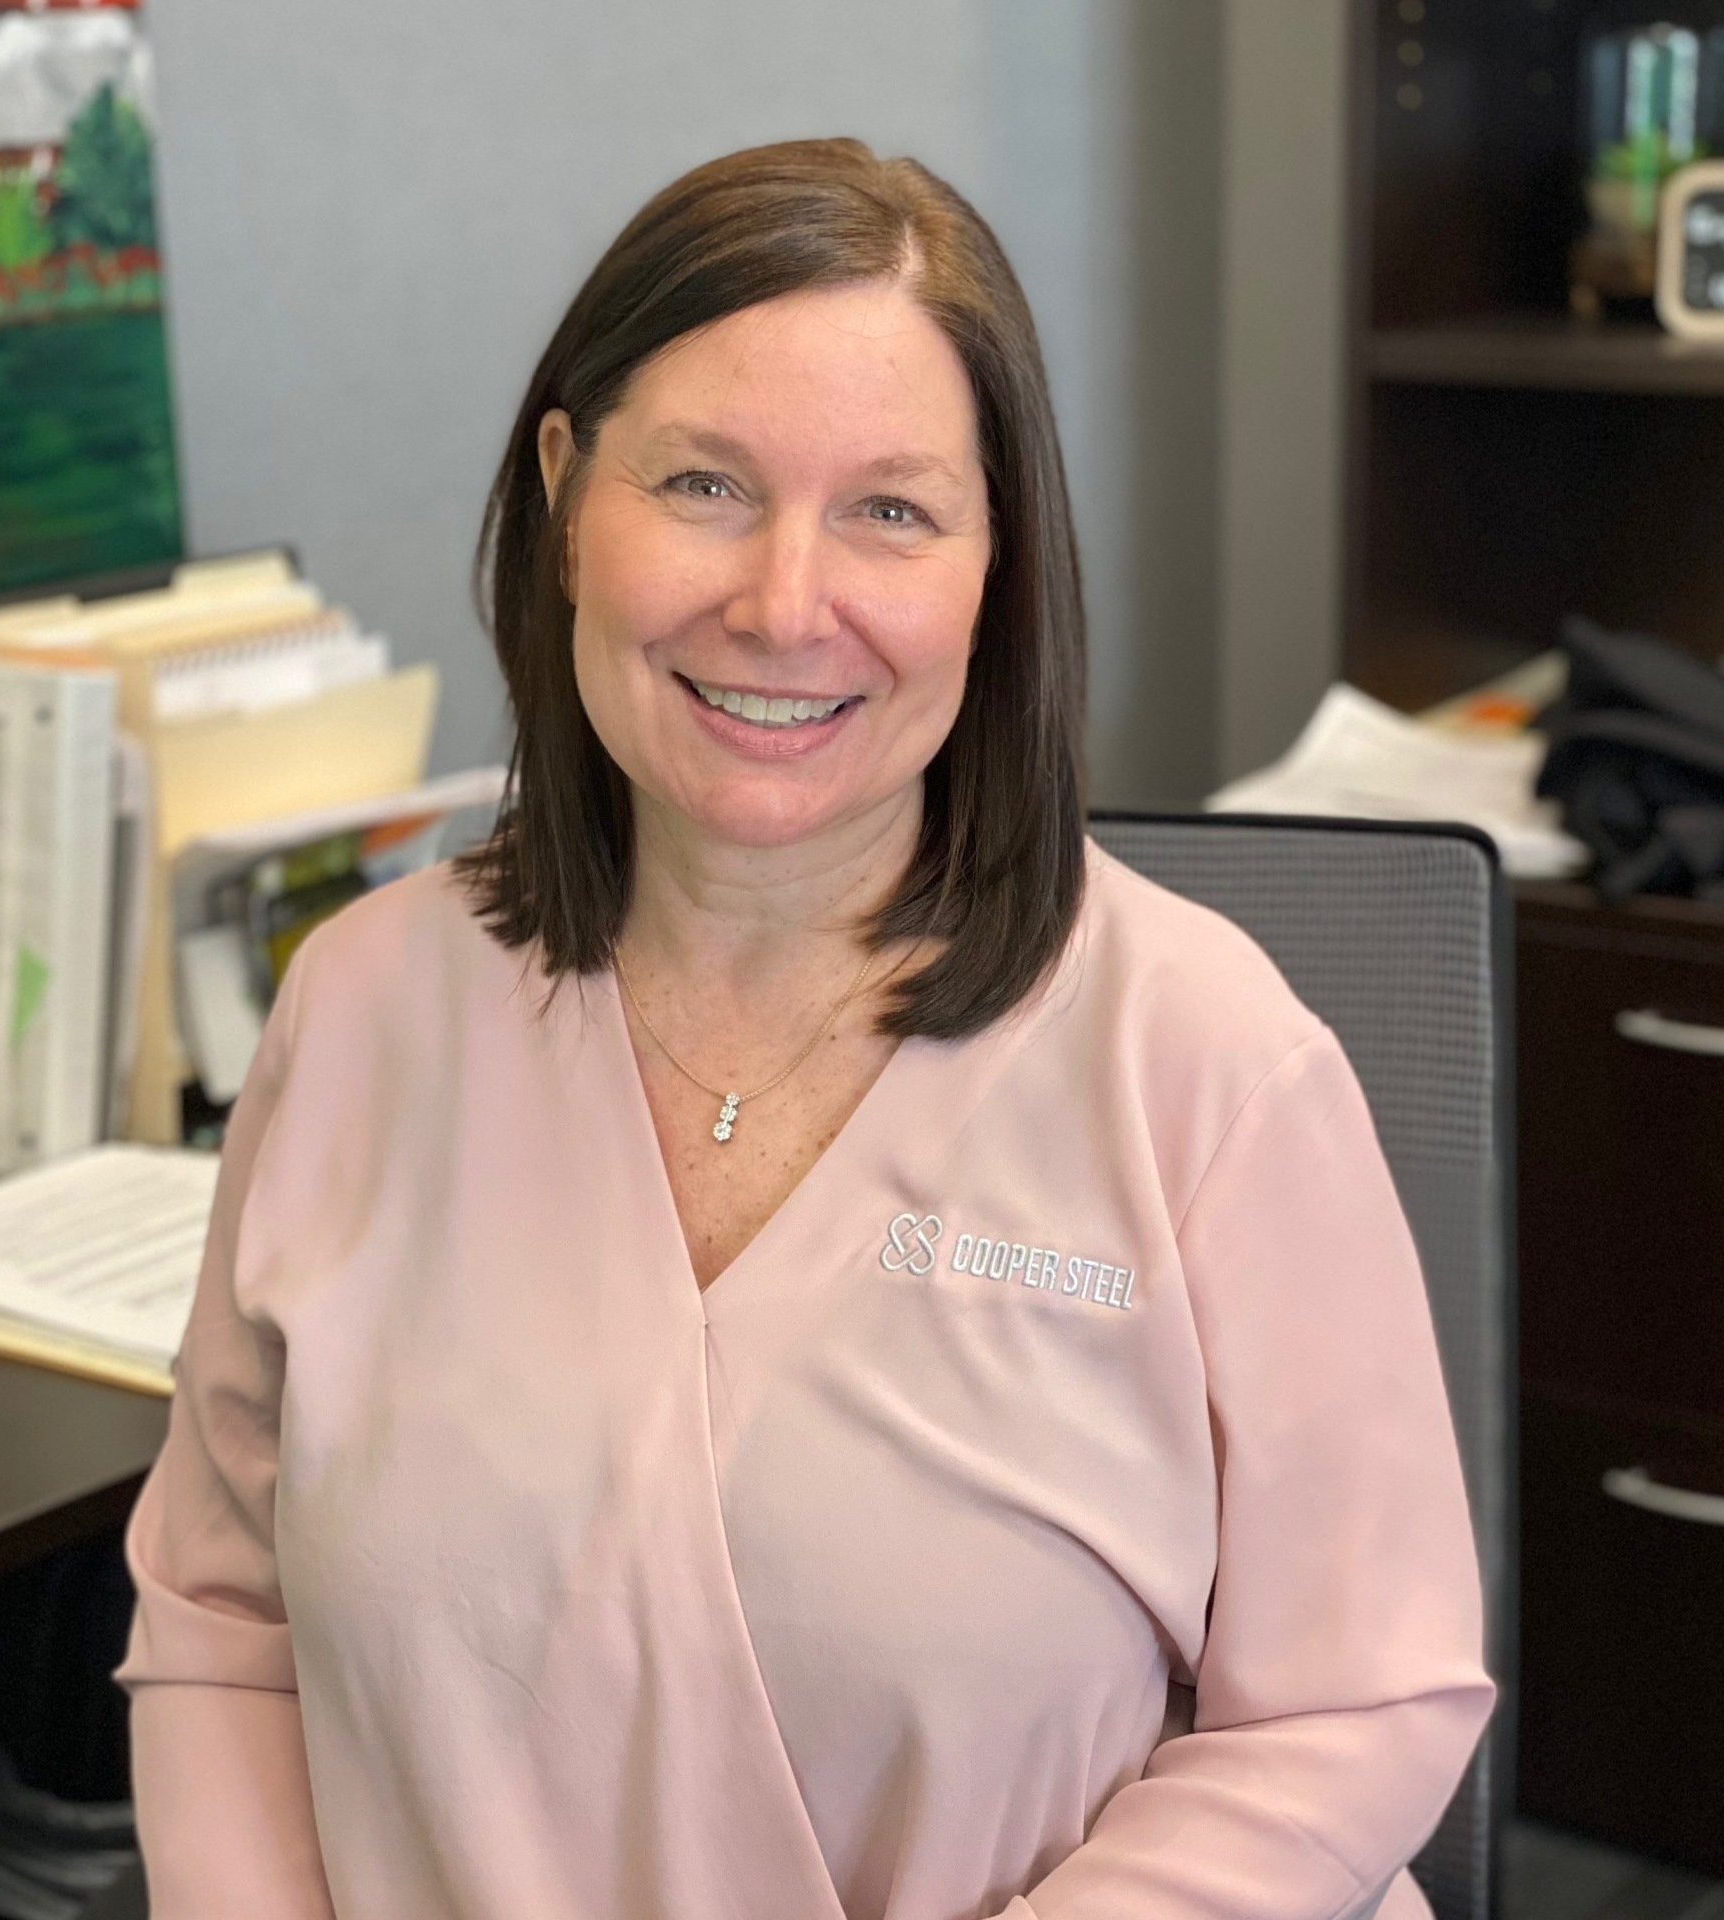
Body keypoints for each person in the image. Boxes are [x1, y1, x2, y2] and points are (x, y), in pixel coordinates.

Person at [112, 137, 1496, 1920]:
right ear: (565, 495)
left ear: (998, 567)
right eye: (703, 484)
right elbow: (224, 1626)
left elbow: (1356, 1701)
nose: (781, 603)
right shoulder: (361, 1006)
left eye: (892, 513)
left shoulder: (1208, 1061)